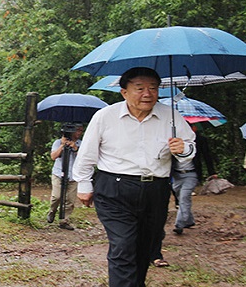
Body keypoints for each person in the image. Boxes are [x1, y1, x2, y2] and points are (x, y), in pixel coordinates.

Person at [72, 67, 196, 287]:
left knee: (144, 248)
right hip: (114, 188)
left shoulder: (171, 116)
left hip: (155, 190)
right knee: (123, 245)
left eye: (153, 88)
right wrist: (84, 182)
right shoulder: (106, 116)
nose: (147, 94)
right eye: (139, 88)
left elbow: (189, 150)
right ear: (124, 92)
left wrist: (183, 149)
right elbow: (87, 152)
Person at [172, 124, 218, 235]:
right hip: (176, 175)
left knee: (184, 198)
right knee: (180, 197)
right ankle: (189, 221)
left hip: (191, 174)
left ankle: (179, 224)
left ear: (194, 128)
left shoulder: (200, 140)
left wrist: (212, 172)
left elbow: (207, 156)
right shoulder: (174, 140)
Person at [46, 123, 84, 230]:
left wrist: (75, 148)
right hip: (59, 173)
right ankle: (52, 211)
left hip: (74, 175)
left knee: (70, 200)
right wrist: (62, 146)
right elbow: (53, 156)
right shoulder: (58, 142)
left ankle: (64, 220)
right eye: (78, 130)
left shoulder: (81, 143)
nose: (79, 133)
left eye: (81, 131)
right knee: (57, 196)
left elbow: (84, 159)